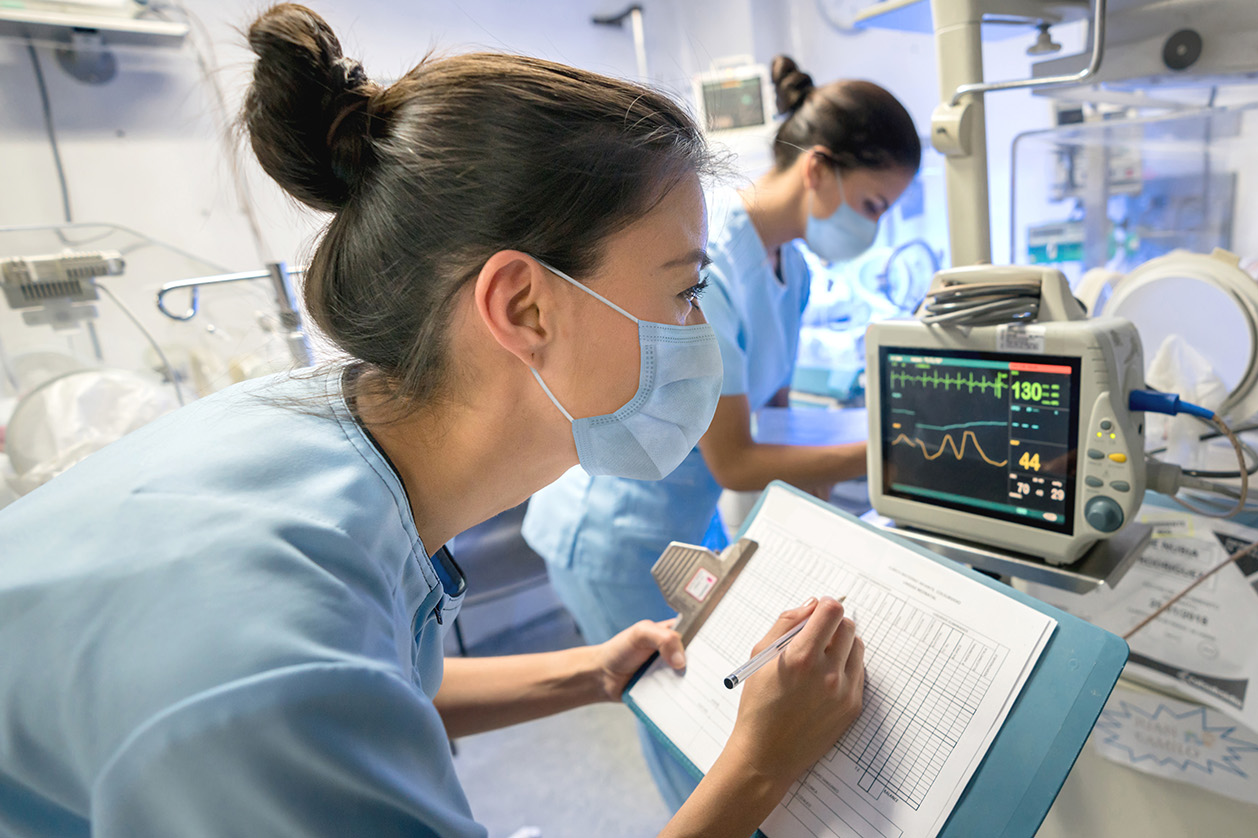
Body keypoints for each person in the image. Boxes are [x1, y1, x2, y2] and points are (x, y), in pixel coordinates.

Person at [0, 6, 864, 837]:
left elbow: (364, 685)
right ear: (524, 307)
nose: (700, 334)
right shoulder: (267, 657)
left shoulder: (323, 442)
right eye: (683, 290)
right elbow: (299, 689)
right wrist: (761, 767)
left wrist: (584, 669)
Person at [522, 55, 919, 807]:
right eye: (871, 206)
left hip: (680, 516)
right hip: (616, 527)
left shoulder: (789, 268)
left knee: (724, 709)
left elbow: (765, 406)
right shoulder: (717, 258)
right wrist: (890, 456)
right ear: (820, 169)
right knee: (696, 741)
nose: (873, 227)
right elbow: (736, 457)